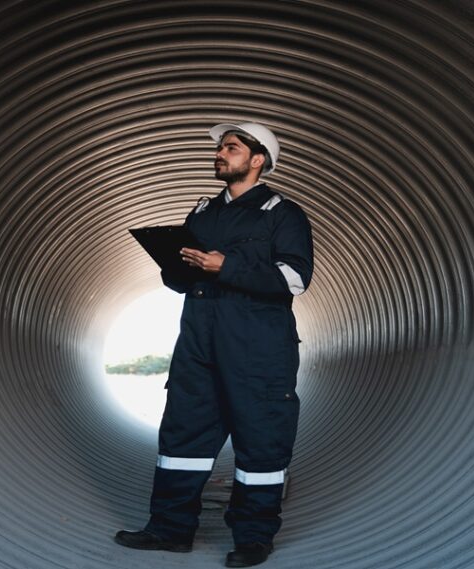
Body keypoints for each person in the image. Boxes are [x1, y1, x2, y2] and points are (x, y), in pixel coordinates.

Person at [114, 122, 314, 568]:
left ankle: (253, 539)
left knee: (261, 443)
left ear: (258, 159)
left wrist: (226, 266)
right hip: (199, 346)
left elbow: (296, 278)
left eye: (231, 147)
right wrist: (174, 265)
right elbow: (184, 279)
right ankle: (169, 529)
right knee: (182, 438)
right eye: (221, 148)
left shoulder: (282, 213)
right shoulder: (203, 213)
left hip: (258, 350)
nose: (221, 154)